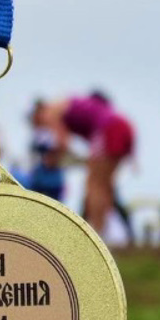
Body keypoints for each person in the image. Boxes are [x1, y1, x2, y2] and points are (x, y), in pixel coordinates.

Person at [54, 92, 135, 234]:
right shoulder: (81, 105)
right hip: (122, 127)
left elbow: (62, 145)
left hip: (108, 129)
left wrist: (71, 160)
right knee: (105, 186)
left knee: (94, 185)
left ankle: (98, 233)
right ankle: (105, 230)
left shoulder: (50, 111)